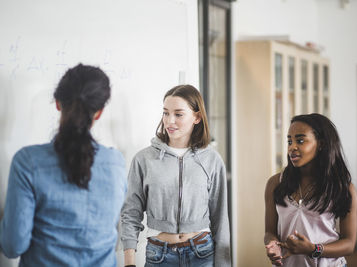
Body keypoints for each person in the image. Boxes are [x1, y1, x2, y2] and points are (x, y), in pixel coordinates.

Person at [0, 64, 127, 266]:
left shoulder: (27, 162)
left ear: (58, 103)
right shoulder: (116, 164)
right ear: (99, 112)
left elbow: (13, 246)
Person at [120, 84, 231, 267]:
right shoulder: (144, 159)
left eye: (178, 114)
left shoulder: (211, 159)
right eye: (166, 113)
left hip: (202, 253)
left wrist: (223, 264)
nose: (170, 121)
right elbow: (131, 213)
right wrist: (129, 262)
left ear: (196, 117)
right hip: (159, 255)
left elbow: (220, 219)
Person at [264, 113, 357, 267]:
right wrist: (272, 244)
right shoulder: (275, 184)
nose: (292, 147)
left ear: (321, 144)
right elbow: (269, 232)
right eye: (290, 141)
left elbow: (349, 244)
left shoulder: (342, 188)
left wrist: (314, 249)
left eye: (300, 141)